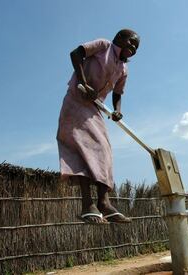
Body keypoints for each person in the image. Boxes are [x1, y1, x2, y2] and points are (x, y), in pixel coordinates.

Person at [57, 29, 140, 224]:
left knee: (104, 150)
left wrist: (117, 110)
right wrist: (84, 84)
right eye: (132, 42)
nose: (134, 47)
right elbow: (76, 54)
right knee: (82, 149)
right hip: (76, 101)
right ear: (120, 38)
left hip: (95, 108)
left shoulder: (123, 69)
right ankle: (87, 204)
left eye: (137, 47)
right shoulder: (103, 45)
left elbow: (118, 93)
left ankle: (103, 202)